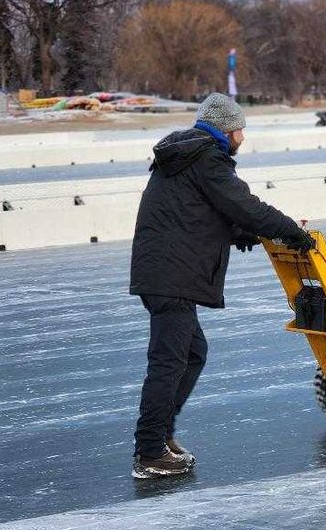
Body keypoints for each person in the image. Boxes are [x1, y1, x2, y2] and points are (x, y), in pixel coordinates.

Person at [128, 93, 314, 479]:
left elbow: (199, 214)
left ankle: (160, 437)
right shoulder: (207, 159)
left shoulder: (185, 158)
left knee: (192, 353)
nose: (243, 138)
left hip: (164, 273)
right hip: (171, 277)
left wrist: (240, 233)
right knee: (169, 361)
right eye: (240, 129)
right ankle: (149, 452)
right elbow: (245, 205)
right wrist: (292, 232)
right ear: (226, 129)